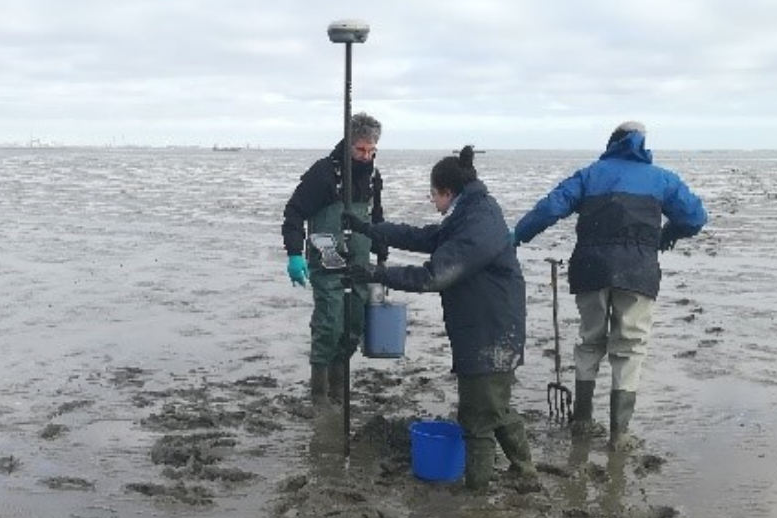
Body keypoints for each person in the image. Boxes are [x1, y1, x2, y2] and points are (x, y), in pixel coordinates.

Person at [346, 146, 533, 492]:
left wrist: (376, 273)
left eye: (433, 194)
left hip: (490, 334)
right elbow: (424, 237)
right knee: (496, 405)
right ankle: (525, 472)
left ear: (447, 192)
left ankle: (476, 494)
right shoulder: (472, 213)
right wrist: (370, 229)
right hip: (490, 327)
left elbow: (433, 276)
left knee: (476, 418)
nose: (432, 201)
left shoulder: (478, 223)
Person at [513, 121, 708, 449]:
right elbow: (695, 218)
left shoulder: (590, 175)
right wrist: (667, 235)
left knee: (590, 342)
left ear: (611, 142)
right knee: (630, 347)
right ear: (642, 145)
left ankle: (582, 422)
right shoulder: (662, 180)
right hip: (638, 273)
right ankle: (619, 435)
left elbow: (550, 208)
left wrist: (516, 236)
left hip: (590, 271)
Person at [281, 112, 388, 404]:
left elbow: (377, 219)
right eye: (360, 149)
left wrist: (382, 258)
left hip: (360, 264)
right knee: (330, 325)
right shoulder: (323, 173)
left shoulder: (373, 177)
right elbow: (293, 213)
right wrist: (294, 254)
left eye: (371, 150)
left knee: (353, 326)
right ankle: (318, 395)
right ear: (348, 143)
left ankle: (339, 390)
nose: (366, 156)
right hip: (326, 263)